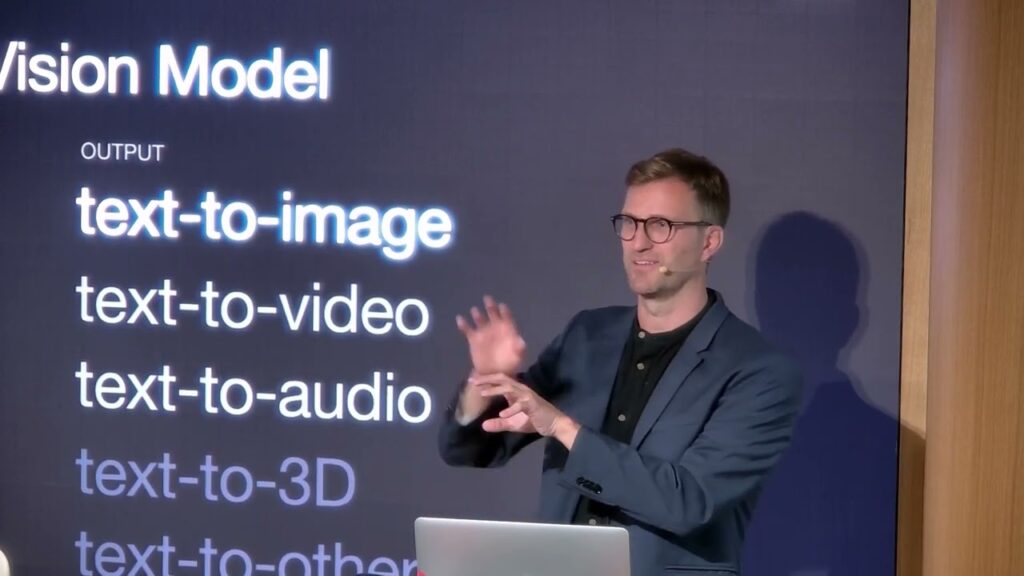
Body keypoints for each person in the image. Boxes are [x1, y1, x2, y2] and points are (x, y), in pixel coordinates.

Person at [438, 148, 803, 576]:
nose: (638, 242)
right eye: (629, 223)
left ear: (709, 242)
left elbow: (690, 502)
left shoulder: (759, 371)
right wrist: (484, 381)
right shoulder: (587, 336)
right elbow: (471, 449)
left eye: (661, 226)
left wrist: (563, 428)